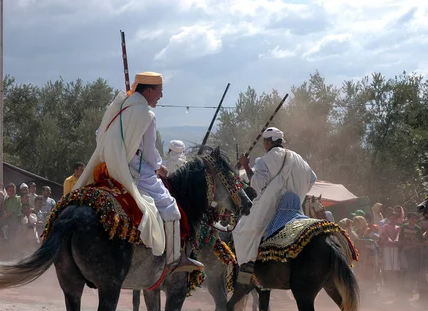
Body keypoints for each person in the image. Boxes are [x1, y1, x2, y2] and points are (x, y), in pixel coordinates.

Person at [73, 71, 202, 273]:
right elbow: (150, 152)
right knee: (171, 209)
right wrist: (159, 166)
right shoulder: (147, 115)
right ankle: (174, 259)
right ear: (149, 90)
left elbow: (100, 135)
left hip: (107, 166)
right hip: (135, 170)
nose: (161, 95)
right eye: (160, 91)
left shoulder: (118, 107)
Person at [234, 127, 316, 284]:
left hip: (272, 208)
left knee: (241, 229)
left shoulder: (265, 160)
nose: (264, 144)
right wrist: (298, 193)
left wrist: (245, 165)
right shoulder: (299, 158)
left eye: (264, 142)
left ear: (268, 142)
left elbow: (257, 184)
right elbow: (312, 178)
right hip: (295, 208)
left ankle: (248, 268)